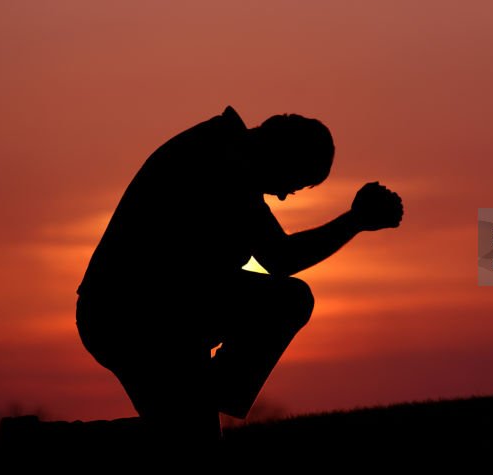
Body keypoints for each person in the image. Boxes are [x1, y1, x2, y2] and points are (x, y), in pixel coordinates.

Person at [75, 106, 403, 442]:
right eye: (291, 183)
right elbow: (281, 257)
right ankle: (207, 396)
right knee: (289, 300)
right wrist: (355, 221)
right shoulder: (222, 161)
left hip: (162, 315)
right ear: (281, 154)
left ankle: (201, 399)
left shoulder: (223, 152)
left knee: (187, 434)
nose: (280, 196)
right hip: (135, 317)